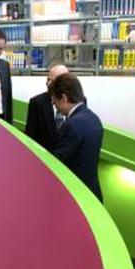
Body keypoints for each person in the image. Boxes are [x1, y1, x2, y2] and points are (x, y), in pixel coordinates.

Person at [50, 72, 103, 201]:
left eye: (55, 101)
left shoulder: (71, 126)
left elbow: (57, 163)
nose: (54, 104)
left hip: (76, 196)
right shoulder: (94, 118)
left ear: (63, 98)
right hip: (93, 193)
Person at [25, 64, 69, 152]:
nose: (47, 83)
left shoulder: (78, 101)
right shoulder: (37, 103)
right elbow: (31, 137)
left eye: (52, 81)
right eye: (48, 79)